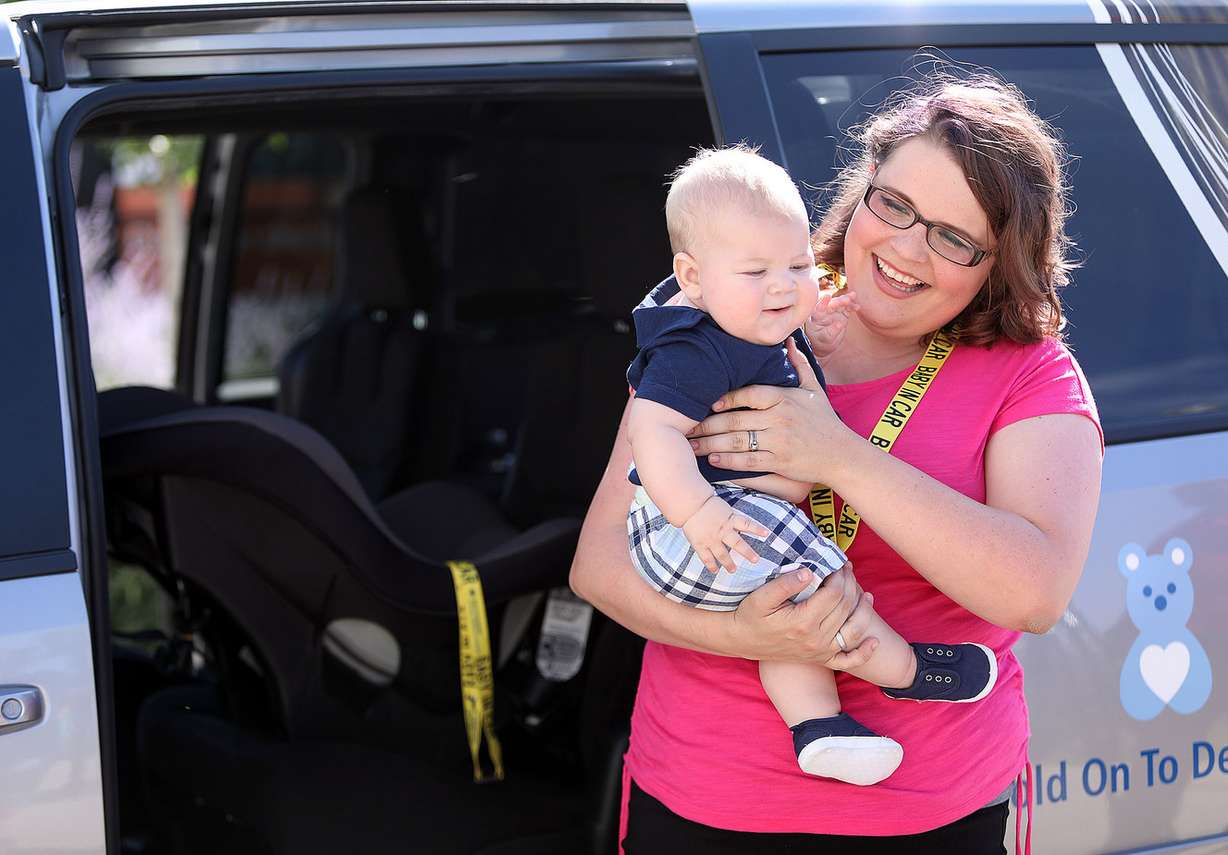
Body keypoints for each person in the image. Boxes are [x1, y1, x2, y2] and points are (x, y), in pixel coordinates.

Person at [570, 69, 1103, 854]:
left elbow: (1033, 592)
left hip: (926, 812)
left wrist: (837, 455)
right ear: (864, 188)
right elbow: (598, 564)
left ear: (1000, 261)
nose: (904, 247)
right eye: (894, 203)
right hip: (706, 797)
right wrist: (754, 635)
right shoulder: (739, 311)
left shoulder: (1030, 372)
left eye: (955, 238)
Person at [624, 145, 998, 787]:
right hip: (686, 527)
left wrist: (811, 334)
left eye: (797, 265)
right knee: (817, 586)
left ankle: (818, 728)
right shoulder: (691, 351)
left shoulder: (747, 329)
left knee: (796, 601)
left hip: (723, 520)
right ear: (692, 277)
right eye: (755, 272)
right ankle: (905, 671)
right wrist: (699, 512)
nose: (782, 285)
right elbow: (650, 430)